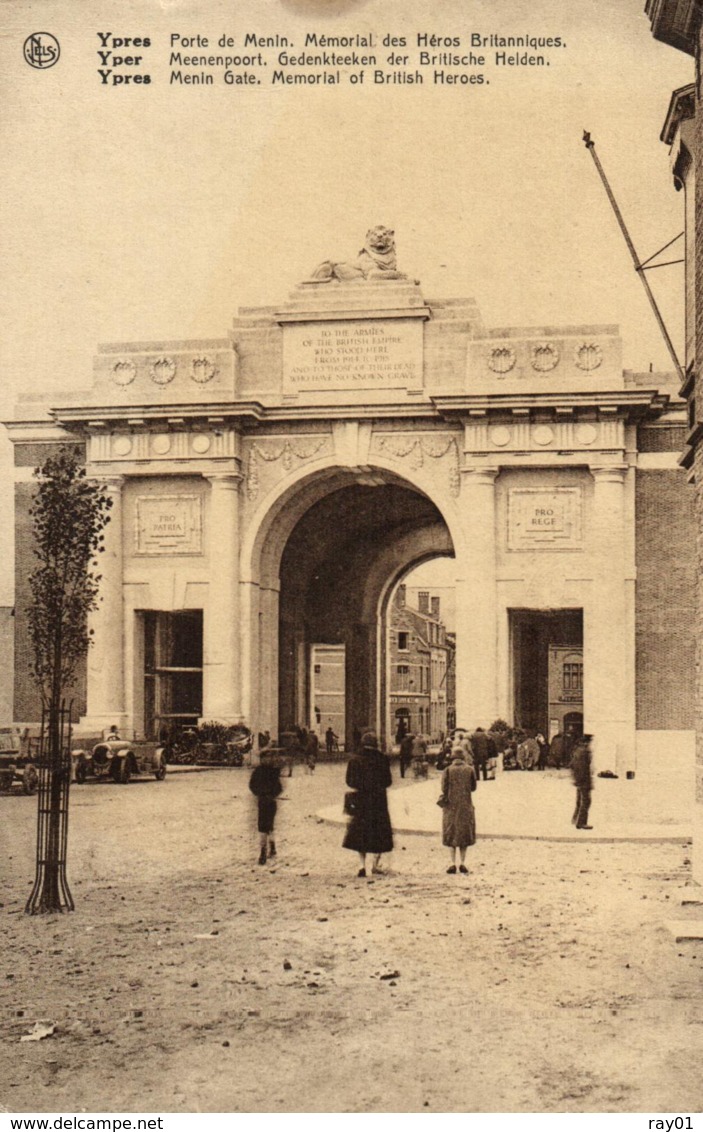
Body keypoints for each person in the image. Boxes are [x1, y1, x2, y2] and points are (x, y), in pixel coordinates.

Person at [342, 731, 393, 877]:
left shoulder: (355, 760)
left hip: (361, 799)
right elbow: (388, 781)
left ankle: (361, 866)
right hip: (378, 801)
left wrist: (362, 785)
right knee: (379, 832)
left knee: (360, 832)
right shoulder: (382, 759)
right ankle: (375, 865)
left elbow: (350, 781)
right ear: (375, 743)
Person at [440, 746, 477, 874]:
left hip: (450, 806)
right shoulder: (470, 770)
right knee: (464, 834)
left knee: (451, 833)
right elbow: (473, 787)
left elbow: (443, 788)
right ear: (463, 757)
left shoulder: (447, 770)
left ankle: (452, 863)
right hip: (465, 805)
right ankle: (462, 862)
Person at [249, 749, 284, 864]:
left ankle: (269, 848)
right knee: (264, 827)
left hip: (270, 802)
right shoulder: (259, 772)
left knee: (268, 826)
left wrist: (271, 795)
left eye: (269, 758)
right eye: (265, 758)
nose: (267, 760)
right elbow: (252, 786)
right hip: (263, 802)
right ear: (262, 759)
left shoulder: (273, 772)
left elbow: (279, 788)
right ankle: (264, 851)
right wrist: (261, 794)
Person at [571, 734, 594, 830]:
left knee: (580, 800)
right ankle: (581, 823)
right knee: (586, 801)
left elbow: (572, 765)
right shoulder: (584, 752)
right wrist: (582, 780)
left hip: (580, 779)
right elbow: (583, 768)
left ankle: (575, 819)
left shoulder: (577, 750)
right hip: (584, 780)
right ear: (586, 742)